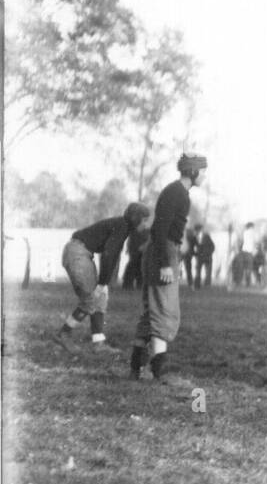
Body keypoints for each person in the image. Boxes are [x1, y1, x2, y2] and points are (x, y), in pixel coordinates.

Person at [129, 153, 208, 385]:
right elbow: (161, 228)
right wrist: (165, 262)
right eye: (202, 171)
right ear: (192, 172)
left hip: (162, 251)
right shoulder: (178, 194)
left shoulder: (176, 192)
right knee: (164, 311)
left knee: (151, 313)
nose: (204, 176)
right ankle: (160, 372)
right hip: (163, 252)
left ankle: (136, 368)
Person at [53, 202, 152, 353]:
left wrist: (103, 284)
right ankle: (63, 334)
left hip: (81, 253)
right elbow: (108, 254)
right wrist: (102, 283)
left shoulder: (122, 225)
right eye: (144, 220)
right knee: (90, 300)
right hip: (77, 253)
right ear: (136, 218)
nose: (146, 224)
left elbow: (109, 256)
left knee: (101, 298)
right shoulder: (122, 226)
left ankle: (98, 343)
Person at [193, 224, 215, 289]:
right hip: (199, 257)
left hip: (207, 257)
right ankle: (197, 285)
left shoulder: (206, 236)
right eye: (196, 231)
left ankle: (207, 285)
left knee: (208, 272)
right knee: (198, 271)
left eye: (197, 230)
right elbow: (193, 247)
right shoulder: (195, 237)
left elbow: (213, 246)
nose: (196, 232)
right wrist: (195, 254)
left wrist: (209, 253)